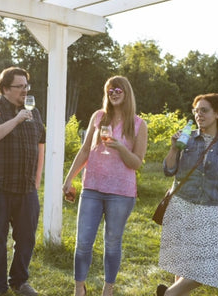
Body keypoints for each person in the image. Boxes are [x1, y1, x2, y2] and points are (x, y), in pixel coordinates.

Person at [62, 76, 148, 296]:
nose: (114, 92)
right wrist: (69, 178)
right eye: (110, 90)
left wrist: (120, 148)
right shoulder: (99, 117)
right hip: (92, 187)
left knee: (112, 243)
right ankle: (79, 288)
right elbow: (84, 151)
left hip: (121, 192)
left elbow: (136, 163)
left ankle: (108, 289)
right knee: (82, 242)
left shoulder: (139, 124)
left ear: (127, 92)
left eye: (118, 89)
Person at [156, 93, 218, 296]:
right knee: (182, 266)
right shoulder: (187, 138)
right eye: (196, 111)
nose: (199, 115)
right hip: (181, 205)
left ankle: (167, 294)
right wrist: (173, 148)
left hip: (213, 210)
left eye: (204, 110)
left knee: (210, 268)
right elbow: (169, 170)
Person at [0, 67, 45, 296]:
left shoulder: (34, 112)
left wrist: (37, 180)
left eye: (27, 86)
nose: (25, 90)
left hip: (27, 187)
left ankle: (19, 281)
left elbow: (40, 144)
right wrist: (16, 120)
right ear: (5, 88)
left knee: (26, 238)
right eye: (20, 86)